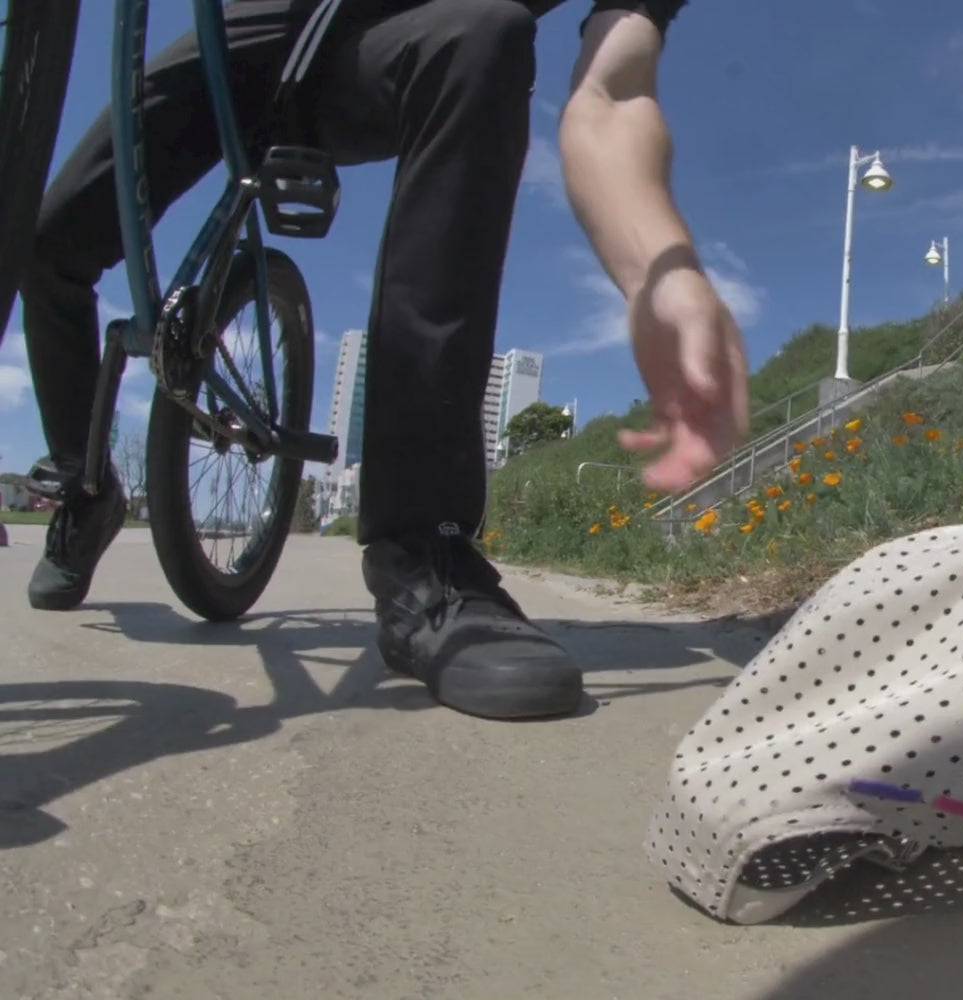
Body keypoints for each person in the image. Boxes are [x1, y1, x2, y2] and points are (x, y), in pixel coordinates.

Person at [17, 0, 750, 720]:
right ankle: (85, 489)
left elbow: (614, 96)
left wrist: (664, 275)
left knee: (483, 29)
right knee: (44, 241)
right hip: (243, 33)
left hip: (384, 57)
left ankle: (422, 551)